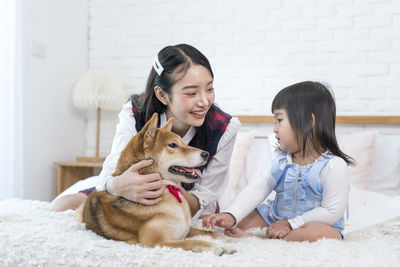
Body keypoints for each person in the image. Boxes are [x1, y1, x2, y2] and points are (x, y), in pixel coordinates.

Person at [51, 44, 240, 219]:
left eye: (210, 89)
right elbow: (111, 172)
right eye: (191, 93)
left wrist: (167, 189)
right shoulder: (135, 113)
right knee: (62, 206)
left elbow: (203, 199)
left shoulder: (224, 128)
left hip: (188, 204)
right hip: (128, 192)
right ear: (162, 95)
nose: (205, 101)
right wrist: (117, 186)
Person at [202, 81, 354, 242]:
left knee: (318, 233)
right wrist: (232, 214)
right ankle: (273, 234)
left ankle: (266, 241)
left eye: (279, 120)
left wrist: (291, 224)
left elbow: (331, 211)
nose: (275, 128)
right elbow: (256, 189)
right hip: (276, 218)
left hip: (312, 223)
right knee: (242, 220)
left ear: (309, 122)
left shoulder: (333, 166)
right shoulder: (281, 162)